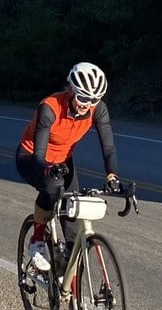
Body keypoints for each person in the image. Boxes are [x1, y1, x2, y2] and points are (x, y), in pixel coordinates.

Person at [15, 62, 120, 272]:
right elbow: (38, 155)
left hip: (63, 160)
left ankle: (71, 287)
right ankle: (37, 239)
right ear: (70, 90)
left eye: (93, 100)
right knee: (51, 187)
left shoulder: (96, 109)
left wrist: (112, 175)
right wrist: (46, 170)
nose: (86, 104)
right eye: (82, 97)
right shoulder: (50, 107)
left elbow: (108, 147)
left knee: (72, 223)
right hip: (32, 157)